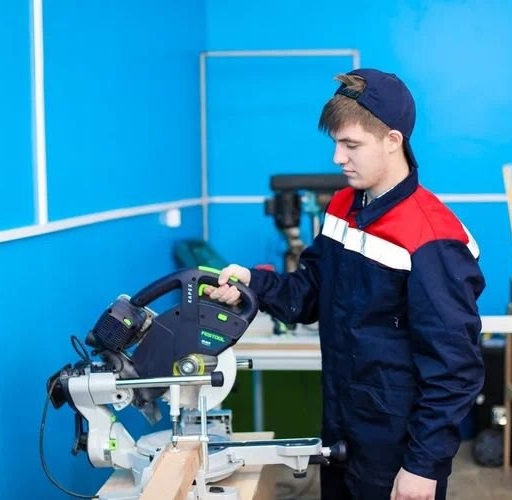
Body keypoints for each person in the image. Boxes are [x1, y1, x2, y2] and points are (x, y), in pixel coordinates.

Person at [205, 68, 485, 500]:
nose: (338, 157)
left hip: (395, 448)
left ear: (393, 140)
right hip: (340, 429)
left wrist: (423, 466)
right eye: (336, 143)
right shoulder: (342, 207)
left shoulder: (431, 237)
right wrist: (253, 285)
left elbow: (455, 369)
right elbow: (311, 291)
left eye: (351, 145)